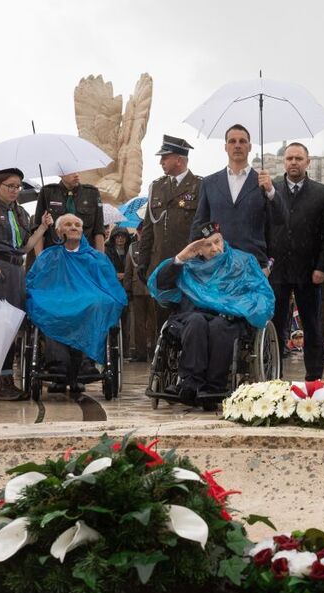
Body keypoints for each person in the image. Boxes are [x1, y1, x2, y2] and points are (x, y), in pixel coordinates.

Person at [148, 230, 274, 406]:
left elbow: (259, 290)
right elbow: (161, 285)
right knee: (196, 322)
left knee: (219, 327)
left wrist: (244, 307)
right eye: (208, 244)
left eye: (217, 241)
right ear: (198, 249)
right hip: (191, 316)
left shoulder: (240, 262)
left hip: (228, 318)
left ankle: (214, 387)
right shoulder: (188, 267)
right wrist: (180, 258)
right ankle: (190, 383)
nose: (215, 248)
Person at [0, 167, 53, 400]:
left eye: (18, 187)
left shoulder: (21, 213)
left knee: (13, 326)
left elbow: (25, 247)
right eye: (10, 186)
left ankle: (6, 380)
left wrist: (43, 227)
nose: (15, 190)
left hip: (16, 270)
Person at [26, 213, 128, 393]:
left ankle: (85, 362)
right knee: (47, 306)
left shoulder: (95, 257)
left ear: (82, 231)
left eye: (77, 225)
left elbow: (109, 285)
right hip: (55, 299)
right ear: (58, 232)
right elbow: (35, 282)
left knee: (99, 303)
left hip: (88, 301)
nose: (74, 227)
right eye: (68, 224)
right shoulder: (49, 256)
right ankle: (58, 363)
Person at [268, 142, 324, 382]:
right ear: (283, 162)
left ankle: (314, 377)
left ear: (308, 162)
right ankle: (273, 376)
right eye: (289, 158)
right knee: (275, 325)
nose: (293, 162)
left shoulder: (322, 193)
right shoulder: (271, 190)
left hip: (309, 271)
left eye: (298, 158)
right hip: (277, 270)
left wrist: (322, 267)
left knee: (313, 325)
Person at [133, 135, 201, 361]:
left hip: (190, 267)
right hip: (161, 265)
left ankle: (187, 359)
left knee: (190, 314)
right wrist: (143, 262)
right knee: (161, 317)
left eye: (165, 157)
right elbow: (148, 230)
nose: (161, 161)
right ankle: (164, 360)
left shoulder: (200, 186)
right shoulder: (157, 187)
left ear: (179, 160)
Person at [190, 124, 287, 269]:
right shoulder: (209, 183)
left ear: (250, 147)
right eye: (232, 141)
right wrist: (195, 261)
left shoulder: (264, 183)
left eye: (242, 141)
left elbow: (280, 220)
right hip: (217, 264)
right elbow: (199, 224)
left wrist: (270, 190)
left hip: (253, 265)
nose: (237, 145)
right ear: (225, 147)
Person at [35, 172, 104, 250]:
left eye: (77, 171)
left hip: (84, 253)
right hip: (55, 253)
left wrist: (100, 257)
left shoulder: (92, 193)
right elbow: (38, 230)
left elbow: (99, 230)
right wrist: (40, 256)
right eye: (71, 172)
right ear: (60, 174)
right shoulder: (47, 192)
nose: (76, 175)